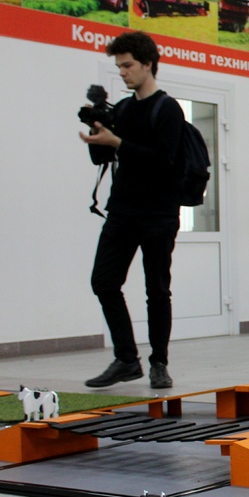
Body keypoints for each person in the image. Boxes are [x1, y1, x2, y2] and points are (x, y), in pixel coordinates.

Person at [79, 31, 185, 391]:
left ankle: (159, 364)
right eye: (119, 66)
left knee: (157, 290)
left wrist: (119, 142)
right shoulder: (123, 109)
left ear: (148, 64)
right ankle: (126, 359)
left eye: (127, 65)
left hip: (159, 213)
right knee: (103, 281)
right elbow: (105, 156)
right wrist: (96, 132)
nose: (122, 72)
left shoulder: (167, 109)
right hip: (122, 210)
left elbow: (165, 161)